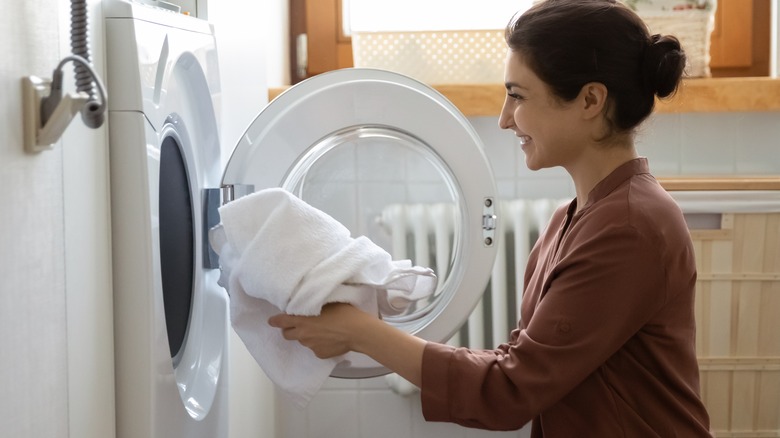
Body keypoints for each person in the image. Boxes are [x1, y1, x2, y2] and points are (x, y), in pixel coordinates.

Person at [269, 0, 713, 435]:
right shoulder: (573, 218)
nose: (504, 119)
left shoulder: (630, 228)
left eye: (517, 96)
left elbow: (509, 391)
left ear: (590, 100)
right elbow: (521, 365)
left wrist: (361, 333)